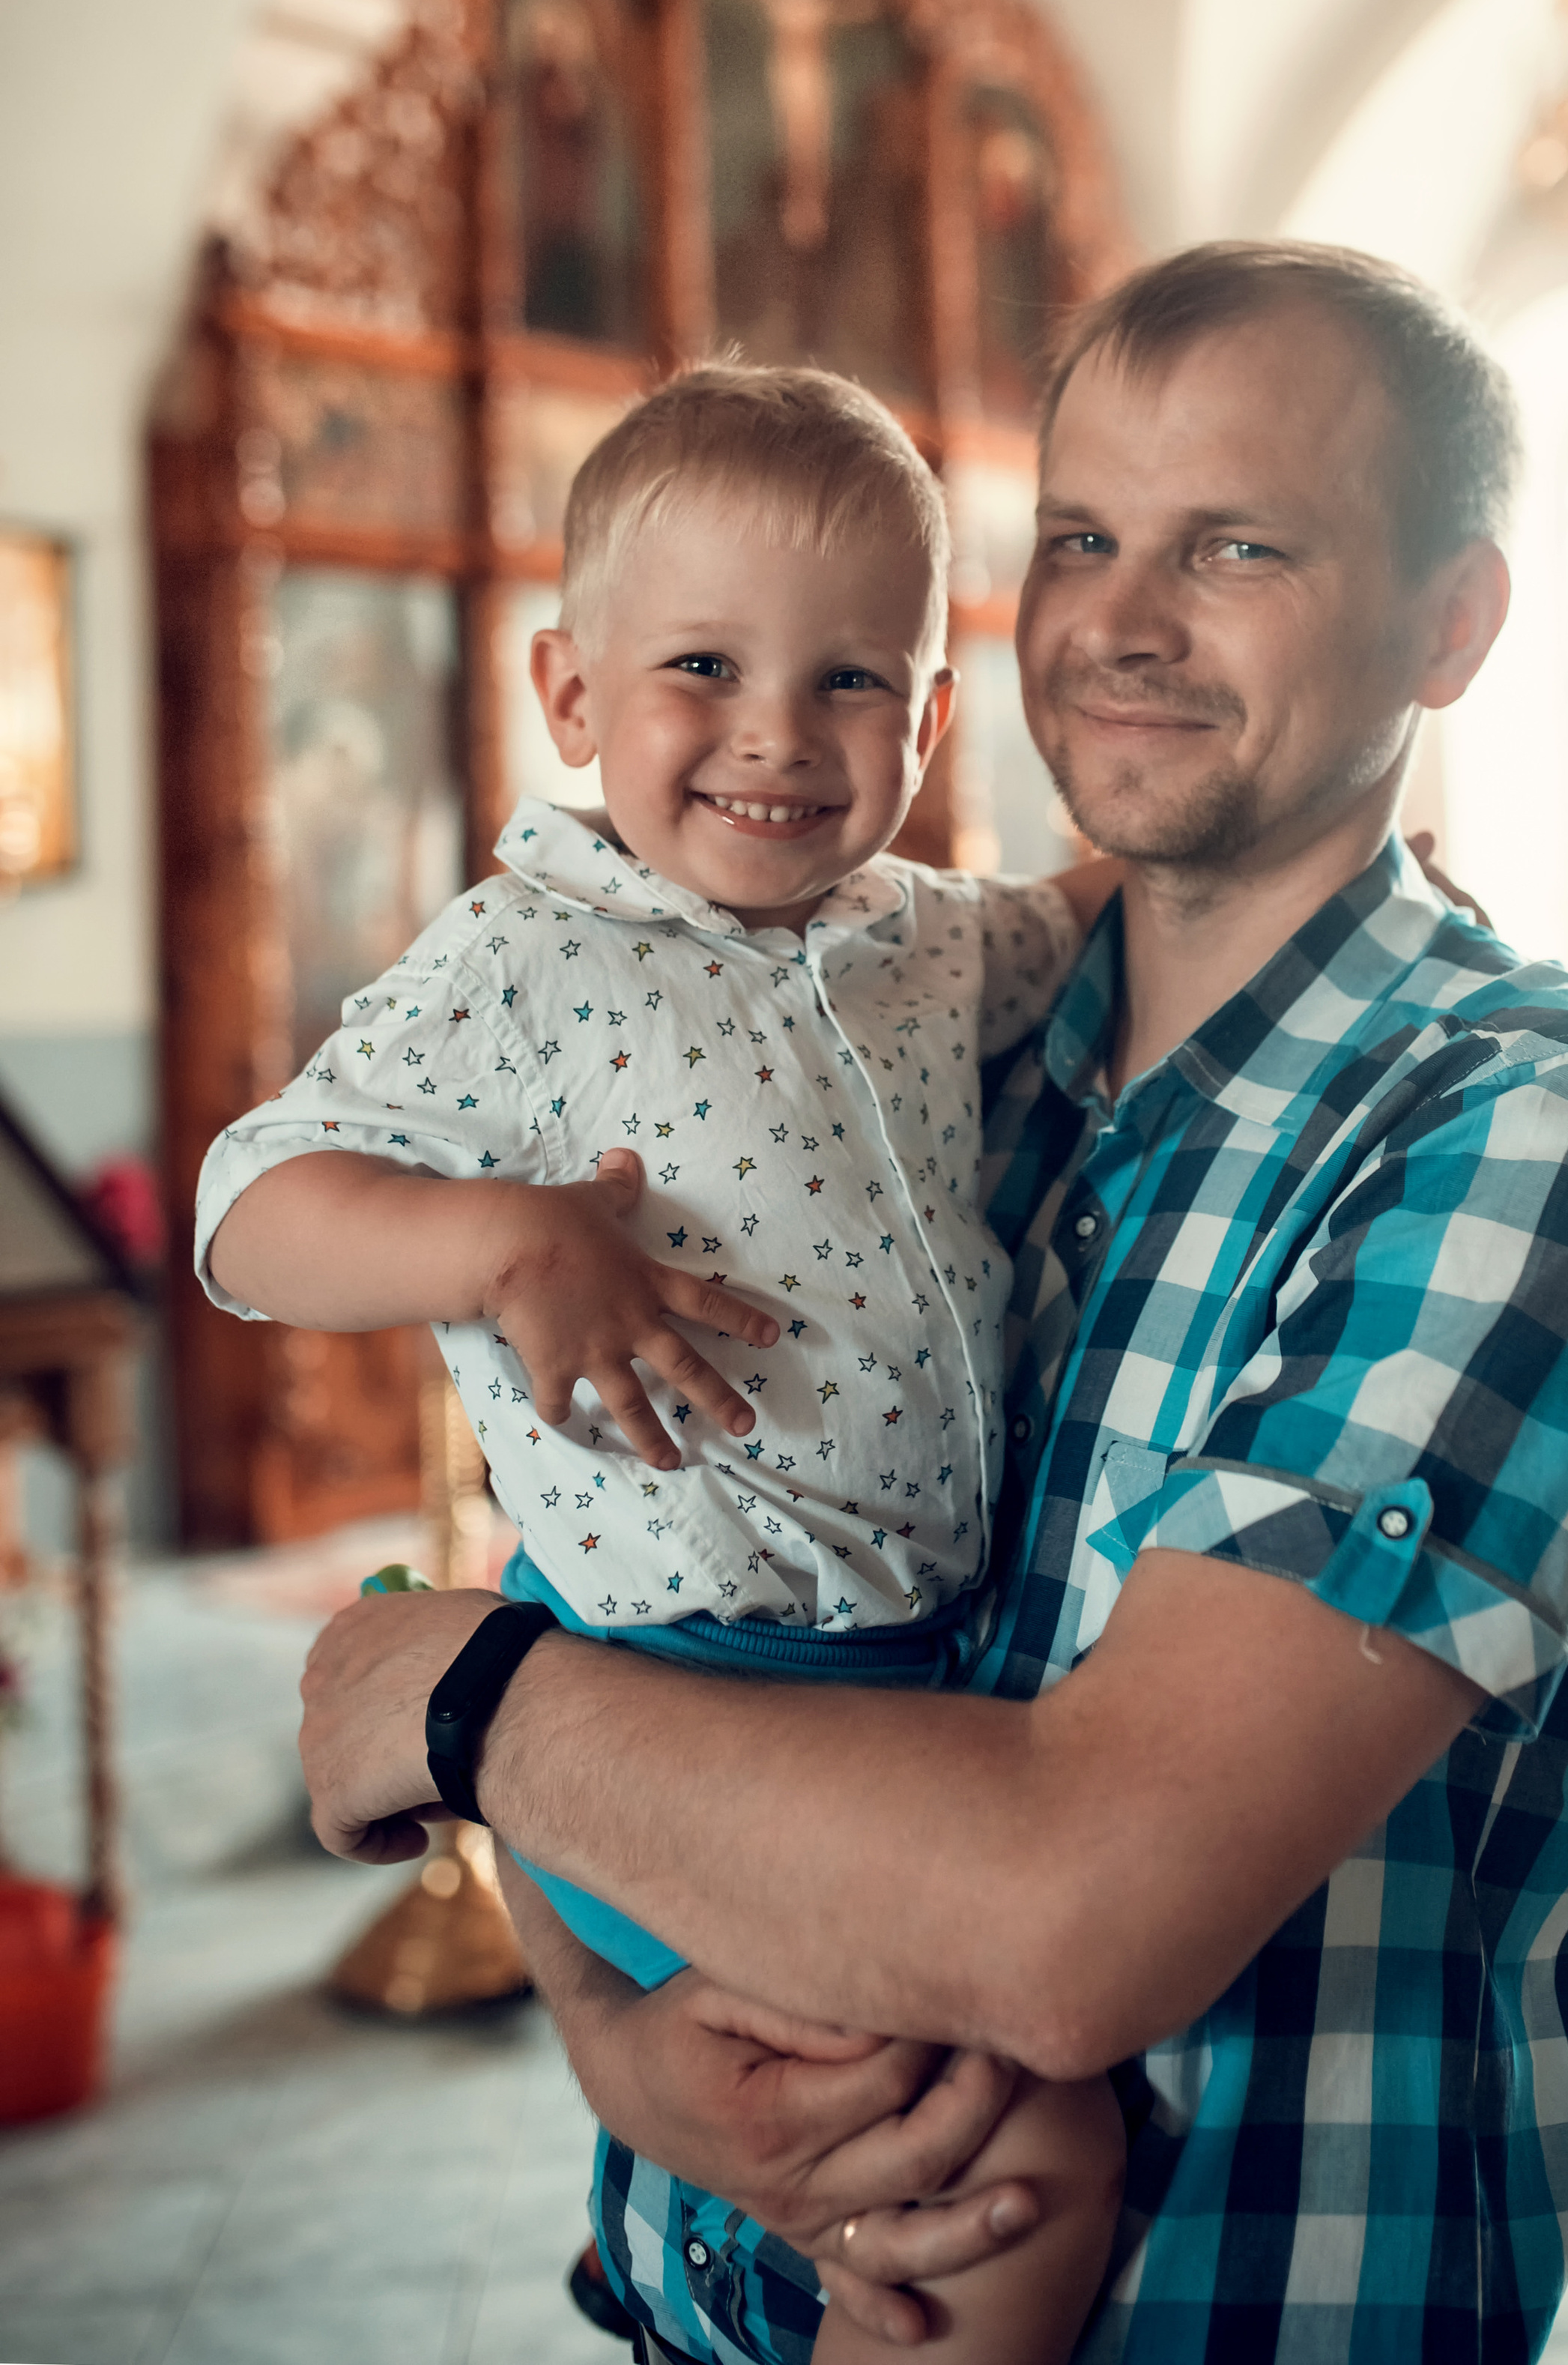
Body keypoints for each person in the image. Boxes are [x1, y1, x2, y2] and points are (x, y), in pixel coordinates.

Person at [296, 241, 1568, 2365]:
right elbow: (657, 1560)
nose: (1125, 621)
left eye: (1237, 542)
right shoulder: (940, 1058)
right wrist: (619, 2024)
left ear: (1453, 621)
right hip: (710, 2297)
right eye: (1081, 536)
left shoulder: (1534, 1133)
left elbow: (1076, 1923)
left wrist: (456, 1697)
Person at [198, 365, 1130, 2364]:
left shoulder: (931, 937)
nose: (778, 736)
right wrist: (508, 1236)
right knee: (1003, 2143)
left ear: (931, 716)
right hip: (679, 1688)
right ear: (569, 693)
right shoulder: (525, 956)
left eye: (854, 681)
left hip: (924, 1688)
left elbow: (1084, 913)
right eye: (702, 664)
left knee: (912, 2147)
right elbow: (248, 1204)